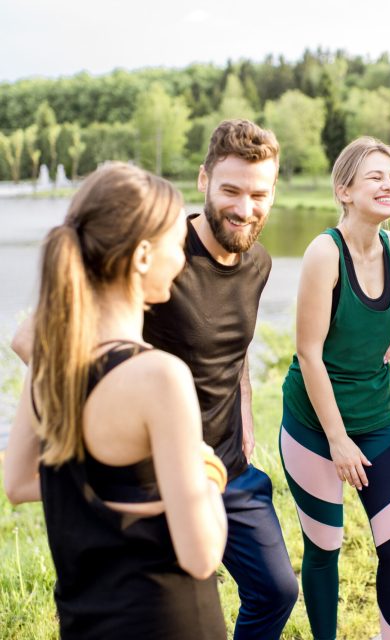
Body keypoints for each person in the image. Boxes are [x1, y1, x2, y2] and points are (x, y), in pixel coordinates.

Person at [3, 162, 228, 639]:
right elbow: (202, 554)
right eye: (176, 241)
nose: (184, 256)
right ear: (143, 256)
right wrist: (207, 470)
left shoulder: (52, 362)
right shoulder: (159, 376)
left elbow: (20, 481)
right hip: (167, 622)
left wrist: (131, 497)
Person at [142, 119, 299, 639]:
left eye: (259, 194)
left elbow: (237, 347)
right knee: (189, 619)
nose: (244, 208)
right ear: (204, 179)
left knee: (277, 591)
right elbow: (63, 340)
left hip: (229, 468)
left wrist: (246, 412)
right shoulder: (159, 255)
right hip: (159, 479)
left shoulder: (259, 262)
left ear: (274, 190)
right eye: (231, 190)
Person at [280, 137, 390, 640]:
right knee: (325, 547)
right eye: (375, 177)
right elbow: (309, 353)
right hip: (314, 425)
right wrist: (337, 440)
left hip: (379, 419)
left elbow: (376, 313)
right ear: (344, 190)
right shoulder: (323, 253)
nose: (389, 184)